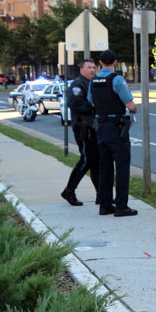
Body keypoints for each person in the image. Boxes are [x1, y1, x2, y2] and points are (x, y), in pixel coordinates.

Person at [88, 49, 139, 217]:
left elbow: (91, 101)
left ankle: (105, 205)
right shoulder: (117, 80)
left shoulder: (94, 80)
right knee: (122, 166)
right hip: (117, 128)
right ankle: (121, 206)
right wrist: (134, 109)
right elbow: (129, 103)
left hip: (101, 126)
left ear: (100, 63)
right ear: (115, 62)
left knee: (105, 167)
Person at [60, 59, 100, 206]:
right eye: (89, 67)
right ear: (82, 69)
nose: (92, 70)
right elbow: (74, 103)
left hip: (93, 127)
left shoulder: (93, 83)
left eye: (94, 67)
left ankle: (101, 195)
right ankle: (69, 191)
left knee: (96, 161)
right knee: (87, 159)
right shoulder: (78, 84)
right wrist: (93, 106)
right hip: (83, 127)